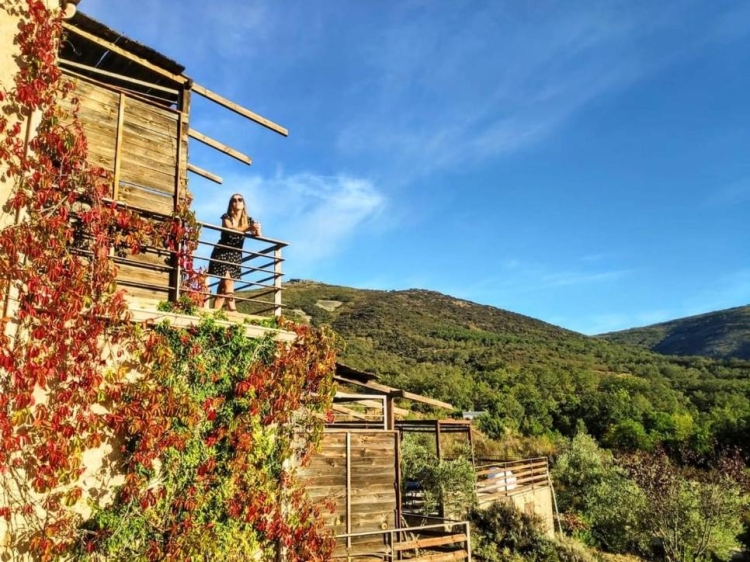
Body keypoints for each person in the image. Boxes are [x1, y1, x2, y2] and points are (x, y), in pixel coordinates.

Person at [208, 194, 261, 311]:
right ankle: (233, 310)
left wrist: (257, 229)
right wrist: (248, 228)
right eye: (234, 200)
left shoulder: (248, 220)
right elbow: (230, 229)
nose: (237, 202)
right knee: (228, 281)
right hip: (222, 253)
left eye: (240, 199)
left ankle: (215, 311)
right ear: (231, 204)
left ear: (243, 204)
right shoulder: (226, 217)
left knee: (223, 286)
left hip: (235, 255)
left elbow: (257, 235)